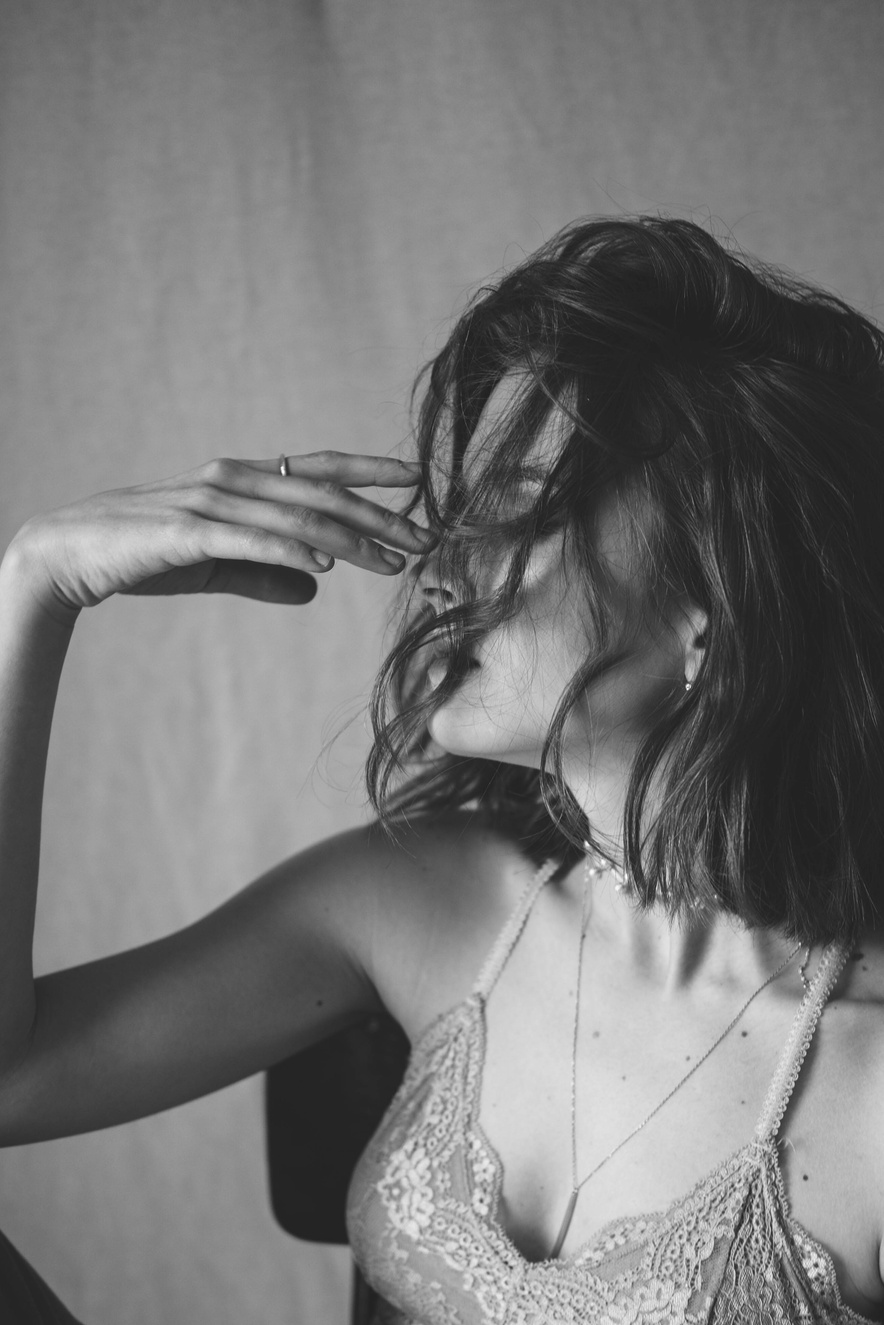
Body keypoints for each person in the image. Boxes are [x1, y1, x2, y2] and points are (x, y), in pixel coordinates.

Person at [0, 216, 883, 1325]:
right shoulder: (428, 898)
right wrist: (34, 590)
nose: (433, 565)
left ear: (714, 609)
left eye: (511, 506)